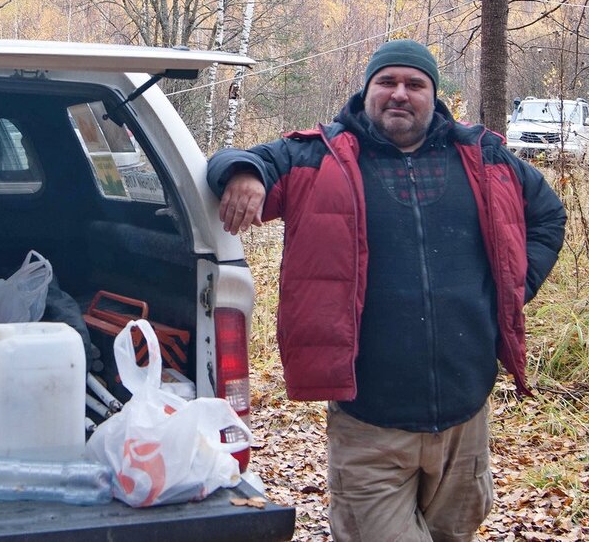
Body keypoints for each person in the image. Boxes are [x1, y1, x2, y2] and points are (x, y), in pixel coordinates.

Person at [207, 39, 566, 542]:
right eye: (387, 82)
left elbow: (547, 215)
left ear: (433, 95)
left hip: (466, 418)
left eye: (414, 84)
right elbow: (240, 159)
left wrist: (514, 289)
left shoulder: (482, 157)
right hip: (370, 423)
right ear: (368, 90)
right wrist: (244, 172)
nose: (400, 93)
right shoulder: (319, 155)